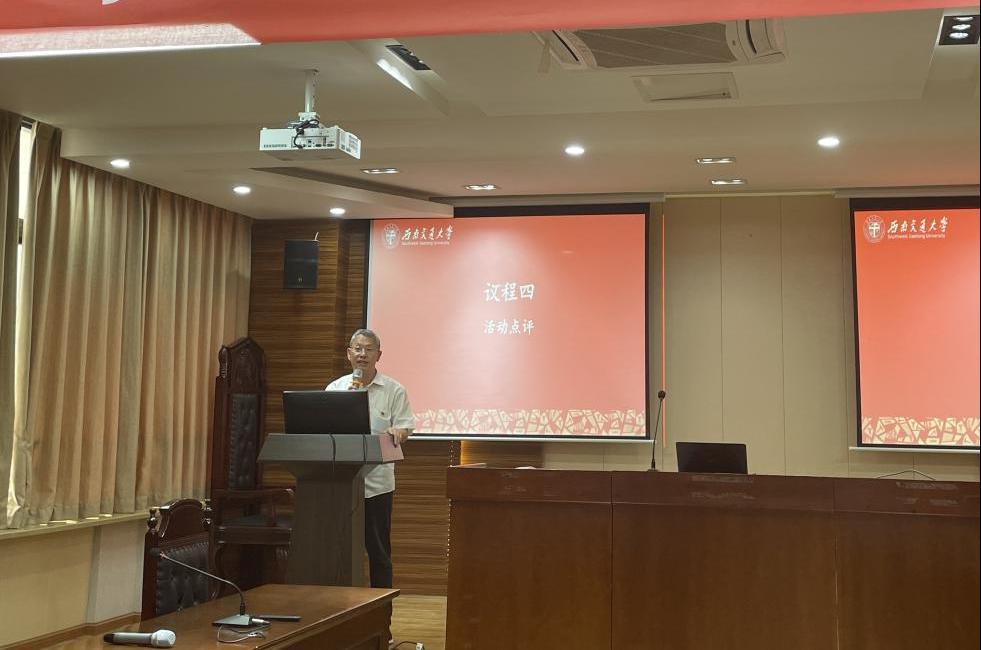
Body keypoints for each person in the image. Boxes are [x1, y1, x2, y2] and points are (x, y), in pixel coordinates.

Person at [325, 328, 414, 590]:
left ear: (379, 355)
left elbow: (405, 427)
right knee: (337, 551)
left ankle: (381, 611)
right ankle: (338, 607)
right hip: (339, 484)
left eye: (369, 349)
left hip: (377, 485)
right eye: (358, 349)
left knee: (379, 552)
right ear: (348, 354)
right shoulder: (335, 389)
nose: (362, 354)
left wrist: (398, 432)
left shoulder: (393, 390)